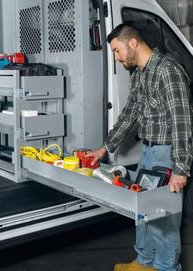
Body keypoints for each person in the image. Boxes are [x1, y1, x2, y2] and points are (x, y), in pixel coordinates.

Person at [86, 24, 192, 271]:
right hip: (148, 151)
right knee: (142, 213)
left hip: (167, 155)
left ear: (132, 43)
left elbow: (182, 122)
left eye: (116, 51)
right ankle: (144, 263)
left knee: (163, 219)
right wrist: (105, 147)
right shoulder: (139, 74)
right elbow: (129, 114)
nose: (116, 57)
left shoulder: (168, 71)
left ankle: (165, 268)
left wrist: (181, 168)